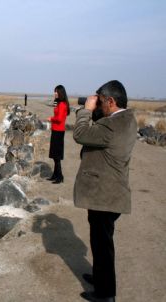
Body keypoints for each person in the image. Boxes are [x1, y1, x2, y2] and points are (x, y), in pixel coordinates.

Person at [73, 80, 137, 302]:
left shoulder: (112, 125)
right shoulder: (125, 119)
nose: (97, 105)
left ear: (111, 101)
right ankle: (101, 278)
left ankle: (105, 294)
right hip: (109, 191)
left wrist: (86, 111)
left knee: (102, 246)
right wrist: (97, 110)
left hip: (105, 195)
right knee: (101, 242)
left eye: (101, 101)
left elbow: (80, 133)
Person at [47, 85, 70, 184]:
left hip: (59, 131)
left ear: (60, 92)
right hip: (55, 130)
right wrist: (55, 99)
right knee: (54, 154)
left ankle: (60, 176)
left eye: (56, 92)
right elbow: (54, 108)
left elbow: (59, 119)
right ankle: (55, 175)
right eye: (54, 91)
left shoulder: (62, 104)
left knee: (57, 155)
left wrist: (51, 119)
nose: (54, 93)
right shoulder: (59, 103)